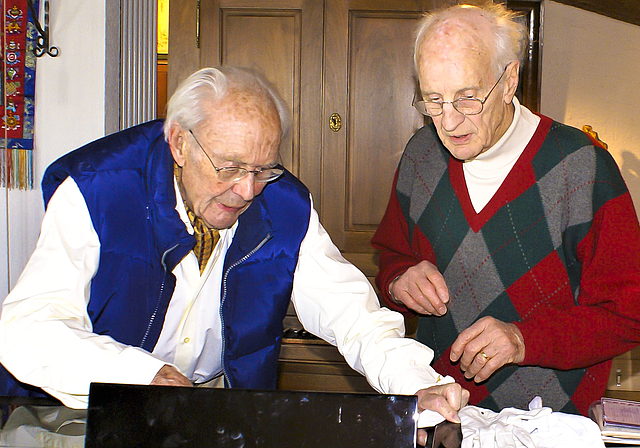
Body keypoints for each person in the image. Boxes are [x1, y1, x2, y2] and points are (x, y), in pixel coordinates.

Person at [0, 66, 467, 429]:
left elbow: (354, 316)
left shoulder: (283, 204)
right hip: (80, 410)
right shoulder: (98, 189)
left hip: (216, 406)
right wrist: (141, 377)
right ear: (179, 143)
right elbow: (26, 330)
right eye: (229, 167)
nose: (246, 191)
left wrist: (416, 385)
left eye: (263, 168)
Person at [372, 2, 640, 417]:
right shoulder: (420, 157)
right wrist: (397, 280)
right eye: (433, 100)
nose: (449, 121)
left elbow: (628, 316)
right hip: (441, 412)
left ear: (510, 79)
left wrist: (523, 339)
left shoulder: (584, 167)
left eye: (467, 98)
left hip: (548, 424)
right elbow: (390, 257)